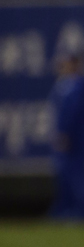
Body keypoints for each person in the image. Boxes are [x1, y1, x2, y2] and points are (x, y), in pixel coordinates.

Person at [48, 51, 84, 220]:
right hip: (71, 141)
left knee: (75, 177)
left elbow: (72, 113)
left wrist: (64, 133)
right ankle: (65, 209)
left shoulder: (76, 86)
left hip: (76, 141)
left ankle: (77, 210)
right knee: (65, 176)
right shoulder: (64, 85)